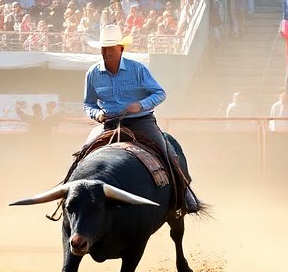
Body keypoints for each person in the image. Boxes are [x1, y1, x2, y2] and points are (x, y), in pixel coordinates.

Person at [78, 24, 200, 215]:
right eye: (104, 48)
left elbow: (160, 93)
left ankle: (185, 194)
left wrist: (140, 105)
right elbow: (88, 104)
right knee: (83, 154)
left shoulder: (137, 69)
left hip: (140, 121)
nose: (107, 52)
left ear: (121, 49)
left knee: (169, 153)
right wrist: (97, 114)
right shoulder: (92, 73)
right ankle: (71, 193)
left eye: (111, 48)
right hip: (109, 122)